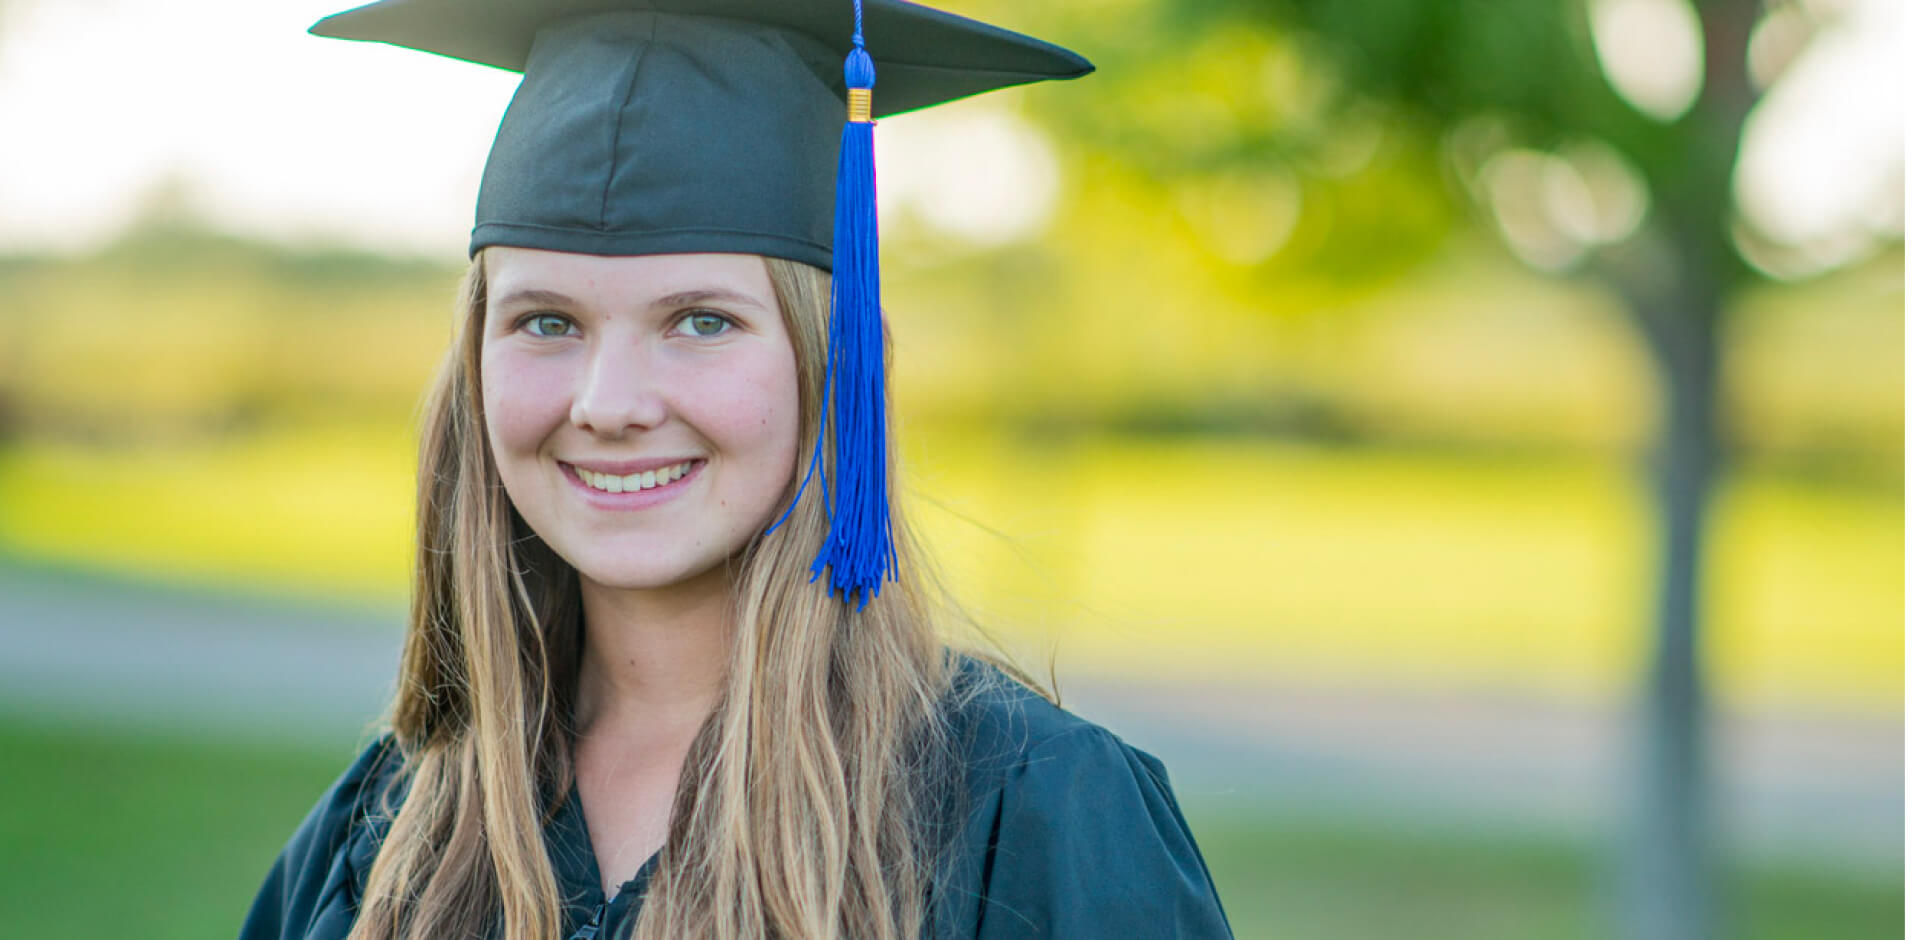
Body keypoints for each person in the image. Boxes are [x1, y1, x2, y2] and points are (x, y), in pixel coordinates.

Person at [240, 1, 1235, 938]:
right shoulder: (390, 825)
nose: (608, 400)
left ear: (841, 364)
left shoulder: (1031, 812)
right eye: (546, 321)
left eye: (701, 321)